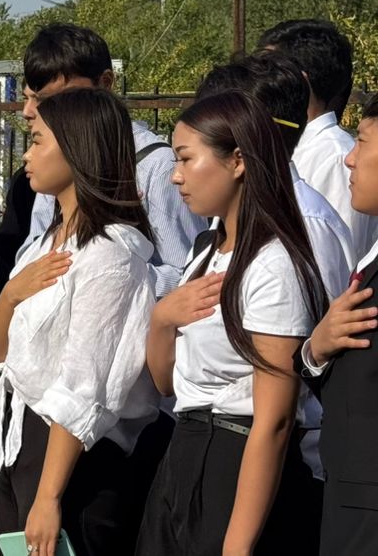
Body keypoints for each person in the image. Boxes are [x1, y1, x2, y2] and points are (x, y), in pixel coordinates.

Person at [136, 91, 327, 555]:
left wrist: (237, 546)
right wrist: (163, 319)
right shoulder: (206, 250)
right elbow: (167, 383)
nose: (176, 175)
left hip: (237, 460)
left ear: (238, 161)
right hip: (186, 450)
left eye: (186, 158)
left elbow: (274, 419)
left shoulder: (273, 265)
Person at [0, 88, 160, 556]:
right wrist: (11, 295)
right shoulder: (46, 243)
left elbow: (85, 386)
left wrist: (48, 497)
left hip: (73, 461)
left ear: (77, 149)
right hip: (21, 444)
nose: (27, 155)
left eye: (38, 141)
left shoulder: (110, 256)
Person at [18, 25, 203, 295]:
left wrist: (110, 268)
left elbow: (187, 273)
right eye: (45, 101)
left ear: (105, 82)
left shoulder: (156, 165)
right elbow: (33, 250)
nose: (56, 112)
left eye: (69, 97)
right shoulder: (52, 164)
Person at [300, 95, 378, 554]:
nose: (349, 158)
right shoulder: (370, 261)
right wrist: (315, 350)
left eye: (362, 142)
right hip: (349, 490)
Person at [261, 19, 375, 255]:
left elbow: (340, 256)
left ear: (300, 81)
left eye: (269, 71)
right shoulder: (287, 146)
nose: (258, 82)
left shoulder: (334, 157)